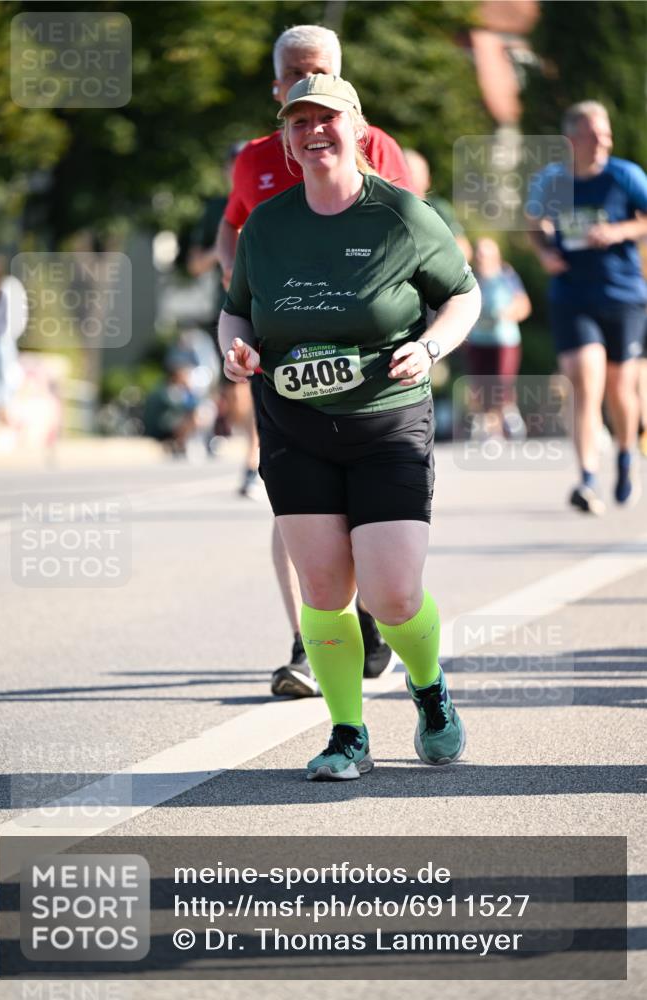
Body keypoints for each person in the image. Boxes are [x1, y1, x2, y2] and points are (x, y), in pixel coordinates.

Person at [219, 74, 481, 780]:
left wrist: (427, 347)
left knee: (391, 594)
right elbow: (236, 308)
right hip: (292, 422)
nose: (313, 132)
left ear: (356, 127)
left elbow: (462, 294)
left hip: (386, 421)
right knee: (324, 590)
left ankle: (429, 691)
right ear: (284, 138)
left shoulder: (400, 215)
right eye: (297, 122)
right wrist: (234, 349)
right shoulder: (267, 225)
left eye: (326, 119)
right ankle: (346, 733)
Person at [217, 24, 415, 699]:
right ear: (276, 89)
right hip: (285, 367)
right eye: (295, 78)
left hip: (367, 375)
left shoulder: (379, 149)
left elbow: (406, 243)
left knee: (362, 519)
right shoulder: (254, 160)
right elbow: (234, 226)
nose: (309, 88)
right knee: (294, 509)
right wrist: (238, 308)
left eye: (322, 74)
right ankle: (308, 644)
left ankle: (373, 618)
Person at [527, 101, 647, 513]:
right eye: (594, 135)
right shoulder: (551, 181)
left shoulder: (625, 175)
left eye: (607, 135)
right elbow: (533, 224)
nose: (603, 143)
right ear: (571, 140)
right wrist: (544, 253)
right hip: (572, 295)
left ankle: (626, 455)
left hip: (623, 295)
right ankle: (587, 478)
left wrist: (617, 231)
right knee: (584, 379)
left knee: (619, 388)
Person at [187, 143, 261, 492]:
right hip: (228, 309)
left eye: (242, 164)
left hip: (267, 305)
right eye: (231, 166)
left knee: (254, 386)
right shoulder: (216, 209)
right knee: (236, 393)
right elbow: (193, 264)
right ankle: (249, 448)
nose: (236, 171)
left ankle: (253, 462)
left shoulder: (270, 196)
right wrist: (225, 248)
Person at [465, 237, 531, 439]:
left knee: (501, 383)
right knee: (481, 385)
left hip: (504, 340)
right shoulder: (471, 278)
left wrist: (510, 313)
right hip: (478, 340)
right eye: (479, 254)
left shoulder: (507, 277)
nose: (482, 258)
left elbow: (524, 306)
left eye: (486, 254)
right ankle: (492, 425)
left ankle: (505, 421)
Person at [403, 148, 472, 262]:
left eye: (413, 173)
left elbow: (464, 250)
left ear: (428, 180)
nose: (409, 178)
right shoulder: (388, 209)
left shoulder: (439, 208)